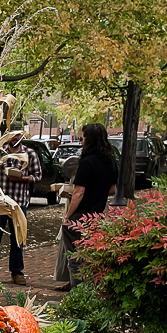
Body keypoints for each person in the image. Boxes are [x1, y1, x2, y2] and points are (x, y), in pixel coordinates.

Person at [57, 122, 118, 290]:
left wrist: (68, 216)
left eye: (83, 137)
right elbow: (112, 189)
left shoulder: (87, 162)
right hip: (98, 215)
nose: (81, 140)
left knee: (75, 256)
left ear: (89, 139)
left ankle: (77, 292)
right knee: (93, 255)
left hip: (81, 215)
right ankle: (92, 289)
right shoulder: (111, 161)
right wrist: (98, 191)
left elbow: (79, 192)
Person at [0, 131, 42, 286]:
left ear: (22, 137)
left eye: (18, 136)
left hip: (18, 203)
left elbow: (38, 176)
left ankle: (17, 272)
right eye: (12, 135)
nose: (15, 138)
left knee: (17, 240)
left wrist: (22, 178)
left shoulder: (29, 154)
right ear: (6, 136)